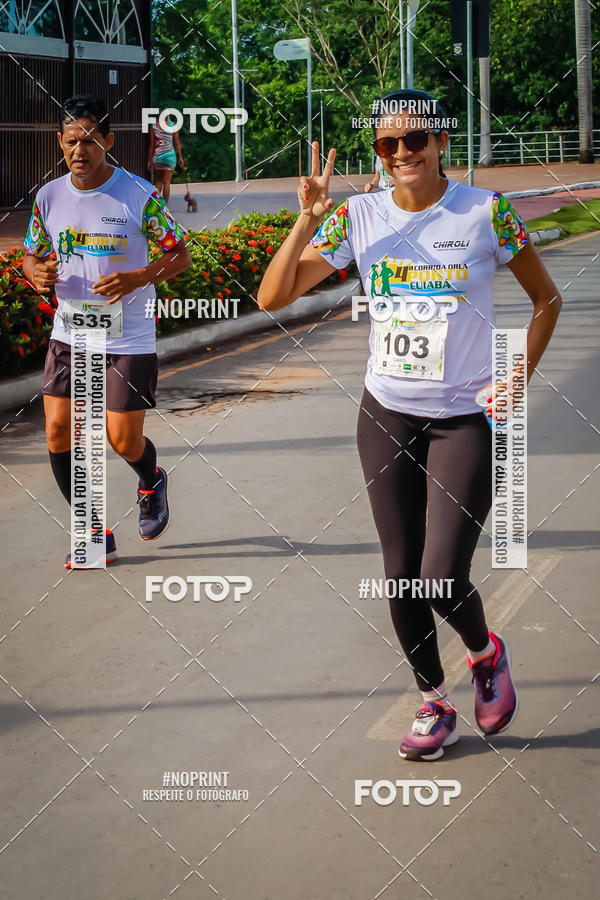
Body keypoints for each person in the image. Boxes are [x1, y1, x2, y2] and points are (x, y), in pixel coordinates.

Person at [257, 88, 561, 761]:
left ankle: (485, 655)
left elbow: (546, 299)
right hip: (387, 412)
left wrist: (520, 376)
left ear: (441, 141)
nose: (400, 154)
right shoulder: (359, 216)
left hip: (464, 419)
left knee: (442, 574)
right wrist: (307, 220)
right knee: (401, 576)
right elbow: (272, 296)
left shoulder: (485, 213)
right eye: (386, 145)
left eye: (413, 140)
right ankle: (435, 701)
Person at [22, 94, 191, 568]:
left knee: (122, 440)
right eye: (73, 140)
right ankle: (92, 530)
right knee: (58, 431)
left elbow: (180, 255)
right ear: (61, 143)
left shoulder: (139, 194)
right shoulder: (48, 197)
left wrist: (137, 278)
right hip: (70, 332)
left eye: (91, 139)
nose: (81, 149)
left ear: (109, 141)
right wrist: (35, 271)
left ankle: (151, 476)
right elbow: (31, 253)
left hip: (127, 335)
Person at [148, 112, 185, 204]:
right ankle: (165, 208)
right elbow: (177, 143)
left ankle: (156, 206)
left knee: (158, 182)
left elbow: (152, 145)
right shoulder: (173, 125)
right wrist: (180, 157)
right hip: (170, 157)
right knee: (167, 183)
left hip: (158, 157)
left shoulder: (154, 126)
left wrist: (149, 160)